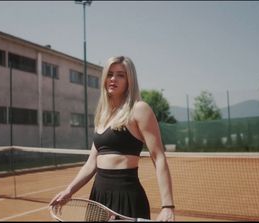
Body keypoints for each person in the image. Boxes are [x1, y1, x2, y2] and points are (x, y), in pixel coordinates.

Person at [49, 56, 175, 221]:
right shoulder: (102, 115)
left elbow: (158, 157)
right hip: (98, 198)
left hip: (126, 197)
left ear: (129, 80)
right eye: (109, 74)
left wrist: (167, 206)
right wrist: (69, 190)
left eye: (120, 75)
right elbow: (91, 163)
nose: (113, 79)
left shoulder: (139, 109)